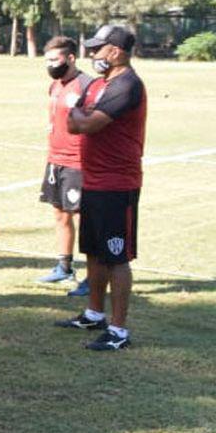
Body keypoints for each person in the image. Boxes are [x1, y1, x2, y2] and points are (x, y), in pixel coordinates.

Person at [55, 25, 147, 351]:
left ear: (116, 52)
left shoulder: (127, 86)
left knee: (116, 255)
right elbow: (71, 122)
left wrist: (83, 117)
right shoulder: (98, 85)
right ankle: (94, 313)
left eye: (98, 49)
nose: (93, 54)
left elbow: (90, 124)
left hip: (117, 184)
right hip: (92, 179)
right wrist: (82, 117)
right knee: (94, 251)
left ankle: (119, 329)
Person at [36, 36, 91, 295]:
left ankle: (95, 275)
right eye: (46, 60)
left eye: (54, 59)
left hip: (77, 163)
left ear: (70, 58)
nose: (50, 65)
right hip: (55, 160)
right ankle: (64, 266)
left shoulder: (87, 85)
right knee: (60, 214)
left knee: (85, 218)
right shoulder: (55, 85)